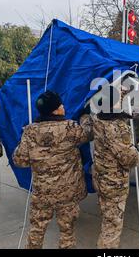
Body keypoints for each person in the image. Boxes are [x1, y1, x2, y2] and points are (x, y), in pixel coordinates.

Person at [13, 90, 92, 249]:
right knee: (67, 232)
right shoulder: (69, 127)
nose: (64, 107)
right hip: (67, 192)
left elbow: (19, 161)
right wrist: (85, 117)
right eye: (61, 105)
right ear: (55, 110)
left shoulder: (30, 131)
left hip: (43, 192)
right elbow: (88, 134)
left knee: (37, 230)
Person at [91, 86, 139, 248]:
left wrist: (122, 92)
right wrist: (136, 152)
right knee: (112, 226)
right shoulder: (117, 127)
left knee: (107, 215)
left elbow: (112, 104)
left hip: (100, 178)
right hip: (114, 183)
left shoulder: (97, 119)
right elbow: (129, 159)